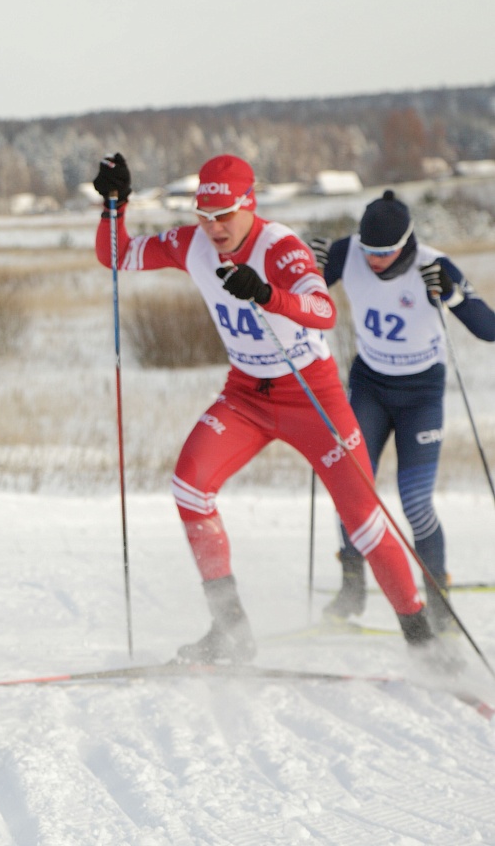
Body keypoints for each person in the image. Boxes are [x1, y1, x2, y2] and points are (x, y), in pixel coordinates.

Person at [92, 153, 454, 668]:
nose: (214, 228)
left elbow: (323, 310)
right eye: (205, 216)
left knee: (363, 519)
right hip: (246, 394)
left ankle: (422, 639)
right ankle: (230, 629)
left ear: (250, 205)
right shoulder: (191, 243)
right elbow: (119, 256)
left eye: (225, 215)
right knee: (190, 485)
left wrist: (267, 294)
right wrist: (114, 207)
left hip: (311, 396)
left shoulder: (279, 247)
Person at [310, 191, 495, 630]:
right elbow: (302, 302)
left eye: (385, 252)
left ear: (407, 242)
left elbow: (488, 329)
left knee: (414, 501)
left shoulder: (433, 265)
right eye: (368, 250)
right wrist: (308, 271)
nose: (374, 260)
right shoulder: (348, 253)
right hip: (370, 387)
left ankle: (438, 599)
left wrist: (451, 296)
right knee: (351, 488)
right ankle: (352, 588)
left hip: (421, 394)